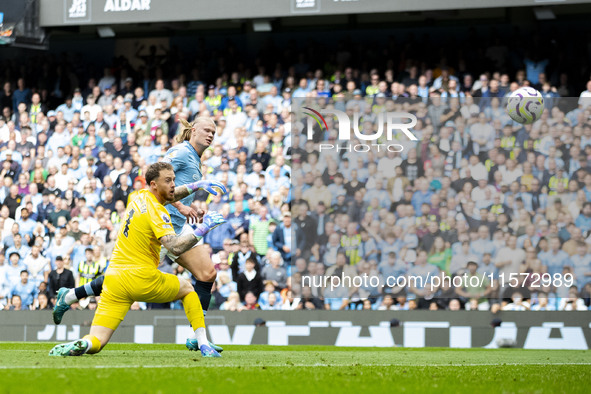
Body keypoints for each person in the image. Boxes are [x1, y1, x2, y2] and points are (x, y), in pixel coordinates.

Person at [51, 116, 226, 352]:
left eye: (214, 132)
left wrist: (188, 203)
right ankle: (72, 295)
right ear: (193, 130)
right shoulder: (181, 152)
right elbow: (159, 180)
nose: (210, 135)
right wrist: (182, 207)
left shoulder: (195, 158)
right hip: (160, 228)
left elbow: (170, 186)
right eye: (206, 130)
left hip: (177, 225)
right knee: (133, 276)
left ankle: (198, 336)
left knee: (207, 274)